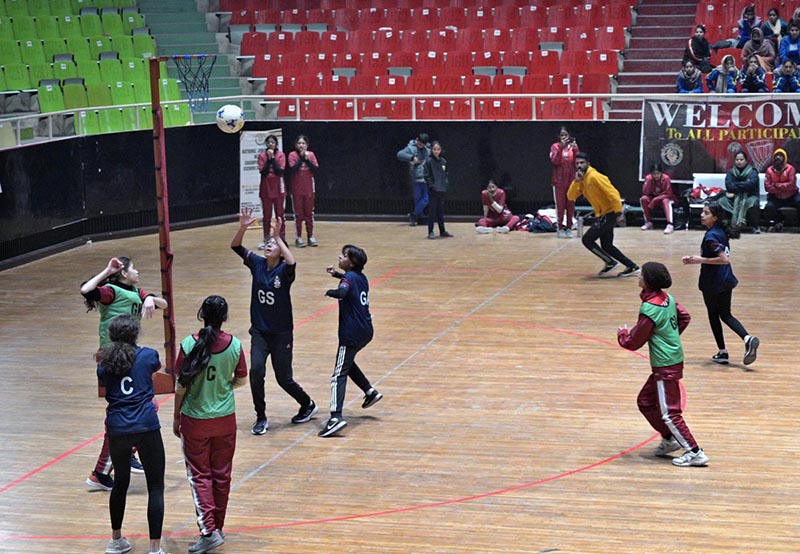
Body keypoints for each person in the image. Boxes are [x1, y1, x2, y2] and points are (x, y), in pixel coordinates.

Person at [81, 256, 168, 491]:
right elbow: (86, 290)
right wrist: (107, 270)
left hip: (126, 354)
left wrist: (149, 298)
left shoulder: (135, 291)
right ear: (123, 273)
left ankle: (110, 463)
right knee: (134, 408)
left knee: (134, 408)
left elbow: (164, 305)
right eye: (134, 269)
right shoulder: (110, 291)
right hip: (111, 356)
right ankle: (106, 466)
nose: (138, 271)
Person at [230, 208, 317, 435]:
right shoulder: (257, 264)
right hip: (260, 332)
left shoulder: (284, 271)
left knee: (283, 378)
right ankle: (261, 417)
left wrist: (279, 236)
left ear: (280, 250)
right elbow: (236, 247)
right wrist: (243, 227)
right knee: (257, 371)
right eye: (267, 242)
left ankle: (307, 404)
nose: (268, 245)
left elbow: (292, 262)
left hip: (281, 333)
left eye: (273, 244)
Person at [173, 295, 247, 554]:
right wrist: (222, 389)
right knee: (221, 475)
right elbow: (240, 380)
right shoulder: (235, 345)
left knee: (200, 476)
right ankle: (218, 527)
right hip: (226, 420)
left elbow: (180, 385)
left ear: (201, 314)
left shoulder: (188, 344)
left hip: (195, 420)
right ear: (224, 317)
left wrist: (176, 416)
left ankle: (208, 531)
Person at [617, 262, 709, 467]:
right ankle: (669, 439)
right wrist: (670, 337)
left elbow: (634, 341)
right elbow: (684, 317)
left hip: (665, 365)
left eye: (641, 273)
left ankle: (695, 452)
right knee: (646, 401)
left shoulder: (650, 308)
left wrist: (622, 335)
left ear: (648, 282)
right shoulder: (667, 299)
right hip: (671, 360)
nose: (638, 275)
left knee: (670, 412)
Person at [98, 315, 166, 554]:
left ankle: (116, 540)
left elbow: (107, 384)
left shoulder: (104, 363)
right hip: (146, 426)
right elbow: (152, 374)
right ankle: (154, 548)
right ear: (135, 334)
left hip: (118, 428)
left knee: (120, 484)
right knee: (156, 486)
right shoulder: (148, 355)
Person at [682, 201, 760, 366]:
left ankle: (723, 351)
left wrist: (698, 260)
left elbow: (724, 259)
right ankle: (747, 338)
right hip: (726, 279)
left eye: (706, 213)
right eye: (702, 212)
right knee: (725, 314)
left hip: (713, 281)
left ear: (715, 217)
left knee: (713, 314)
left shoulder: (711, 236)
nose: (702, 216)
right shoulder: (719, 231)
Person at [319, 245, 382, 438]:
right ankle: (369, 391)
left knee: (338, 374)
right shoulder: (361, 278)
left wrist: (332, 291)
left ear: (351, 262)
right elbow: (349, 282)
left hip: (351, 332)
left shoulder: (348, 280)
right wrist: (337, 275)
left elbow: (344, 291)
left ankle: (335, 417)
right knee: (347, 363)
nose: (340, 256)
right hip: (366, 331)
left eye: (344, 255)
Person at [567, 152, 640, 277]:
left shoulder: (595, 177)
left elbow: (614, 194)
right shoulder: (582, 180)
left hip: (610, 213)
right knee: (607, 245)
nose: (579, 166)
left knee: (587, 239)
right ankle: (632, 266)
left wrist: (619, 212)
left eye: (582, 163)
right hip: (602, 214)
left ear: (588, 164)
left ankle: (610, 262)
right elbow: (571, 196)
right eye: (577, 163)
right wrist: (576, 181)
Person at [287, 134, 319, 248]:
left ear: (307, 145)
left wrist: (307, 160)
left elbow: (315, 169)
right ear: (296, 145)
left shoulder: (311, 155)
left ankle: (310, 236)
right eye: (299, 143)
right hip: (297, 190)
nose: (301, 145)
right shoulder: (292, 155)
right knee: (298, 215)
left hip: (309, 189)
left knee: (309, 214)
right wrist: (301, 158)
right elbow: (293, 169)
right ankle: (299, 237)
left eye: (303, 143)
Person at [256, 134, 287, 248]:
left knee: (280, 214)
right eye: (268, 142)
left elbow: (279, 171)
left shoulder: (281, 155)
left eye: (272, 142)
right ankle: (266, 238)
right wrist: (268, 159)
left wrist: (273, 158)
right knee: (267, 215)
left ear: (276, 144)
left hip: (278, 188)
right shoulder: (262, 155)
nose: (270, 144)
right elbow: (263, 172)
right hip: (266, 188)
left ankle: (281, 238)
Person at [718, 150, 761, 231]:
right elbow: (729, 186)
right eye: (737, 160)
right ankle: (726, 225)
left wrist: (736, 184)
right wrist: (744, 184)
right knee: (722, 201)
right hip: (733, 198)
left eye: (741, 160)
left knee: (753, 202)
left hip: (749, 197)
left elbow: (752, 185)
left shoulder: (752, 171)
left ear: (746, 161)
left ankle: (754, 226)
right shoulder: (731, 172)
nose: (739, 162)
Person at [549, 126, 579, 237]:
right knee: (560, 206)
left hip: (571, 181)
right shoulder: (555, 147)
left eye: (566, 135)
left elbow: (578, 162)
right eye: (562, 135)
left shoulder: (573, 147)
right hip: (559, 182)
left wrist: (576, 150)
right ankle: (560, 228)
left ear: (569, 135)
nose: (564, 137)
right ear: (558, 136)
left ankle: (569, 228)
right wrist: (561, 147)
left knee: (570, 206)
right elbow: (555, 161)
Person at [396, 133, 431, 226]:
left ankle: (414, 215)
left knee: (427, 198)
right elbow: (400, 154)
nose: (421, 145)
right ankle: (419, 217)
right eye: (420, 142)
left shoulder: (427, 150)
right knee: (418, 198)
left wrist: (426, 163)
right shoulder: (411, 148)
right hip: (415, 178)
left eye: (423, 144)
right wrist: (411, 158)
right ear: (417, 140)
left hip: (426, 178)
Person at [764, 147, 800, 229]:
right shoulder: (769, 170)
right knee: (769, 207)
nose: (778, 157)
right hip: (775, 197)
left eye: (780, 155)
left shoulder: (791, 169)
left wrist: (776, 185)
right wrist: (782, 188)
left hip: (791, 196)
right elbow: (767, 187)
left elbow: (791, 185)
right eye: (776, 155)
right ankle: (775, 223)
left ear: (784, 158)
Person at [423, 140, 453, 240]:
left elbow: (446, 174)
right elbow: (426, 176)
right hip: (433, 190)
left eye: (438, 149)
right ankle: (430, 231)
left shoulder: (443, 161)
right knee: (432, 211)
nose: (436, 151)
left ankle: (442, 230)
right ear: (431, 150)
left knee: (440, 211)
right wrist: (432, 186)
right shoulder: (428, 161)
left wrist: (445, 184)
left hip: (441, 189)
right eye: (434, 149)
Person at [640, 163, 678, 234]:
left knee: (666, 201)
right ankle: (648, 222)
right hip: (652, 198)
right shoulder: (649, 178)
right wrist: (648, 182)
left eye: (658, 173)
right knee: (643, 199)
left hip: (663, 198)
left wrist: (655, 200)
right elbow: (645, 192)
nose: (656, 175)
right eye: (654, 174)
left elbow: (668, 194)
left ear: (661, 173)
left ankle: (670, 224)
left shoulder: (666, 178)